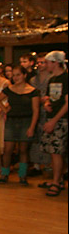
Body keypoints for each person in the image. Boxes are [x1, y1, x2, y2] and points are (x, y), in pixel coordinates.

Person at [0, 65, 40, 185]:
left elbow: (36, 110)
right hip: (11, 121)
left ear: (24, 75)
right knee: (8, 149)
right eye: (14, 75)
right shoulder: (9, 89)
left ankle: (22, 175)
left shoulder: (33, 91)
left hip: (26, 121)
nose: (15, 78)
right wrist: (5, 110)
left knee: (23, 150)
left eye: (18, 75)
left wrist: (32, 127)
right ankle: (4, 174)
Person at [39, 51, 68, 196]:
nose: (45, 65)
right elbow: (50, 98)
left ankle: (56, 182)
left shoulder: (66, 78)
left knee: (57, 151)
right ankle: (58, 179)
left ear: (55, 63)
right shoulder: (52, 79)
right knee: (52, 151)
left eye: (47, 62)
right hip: (52, 118)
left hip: (61, 120)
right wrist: (46, 103)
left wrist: (54, 120)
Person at [28, 53, 52, 177]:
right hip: (35, 110)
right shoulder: (33, 79)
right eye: (38, 63)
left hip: (49, 110)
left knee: (48, 137)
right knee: (36, 138)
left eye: (43, 62)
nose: (40, 65)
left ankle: (48, 165)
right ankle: (36, 165)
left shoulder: (53, 77)